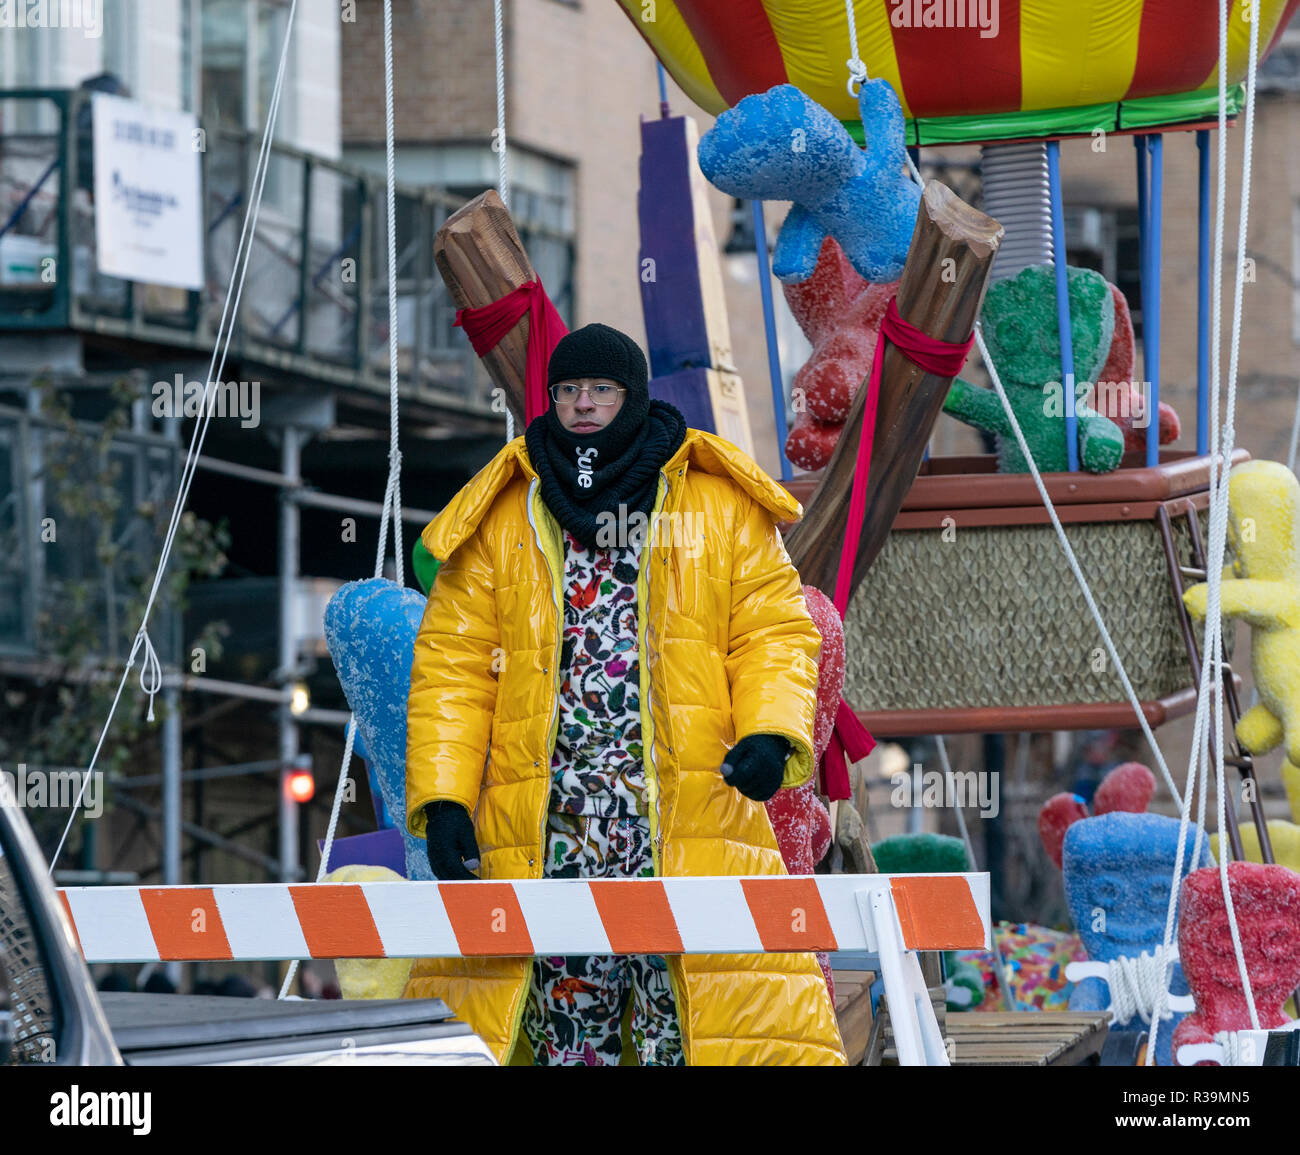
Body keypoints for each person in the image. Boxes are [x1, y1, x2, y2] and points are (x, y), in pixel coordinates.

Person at [404, 323, 846, 1066]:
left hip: (683, 817)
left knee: (693, 1024)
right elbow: (453, 663)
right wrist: (444, 799)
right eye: (567, 391)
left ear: (632, 397)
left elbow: (772, 628)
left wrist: (770, 733)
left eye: (600, 391)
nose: (582, 405)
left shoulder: (717, 502)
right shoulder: (507, 511)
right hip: (552, 831)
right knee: (573, 1039)